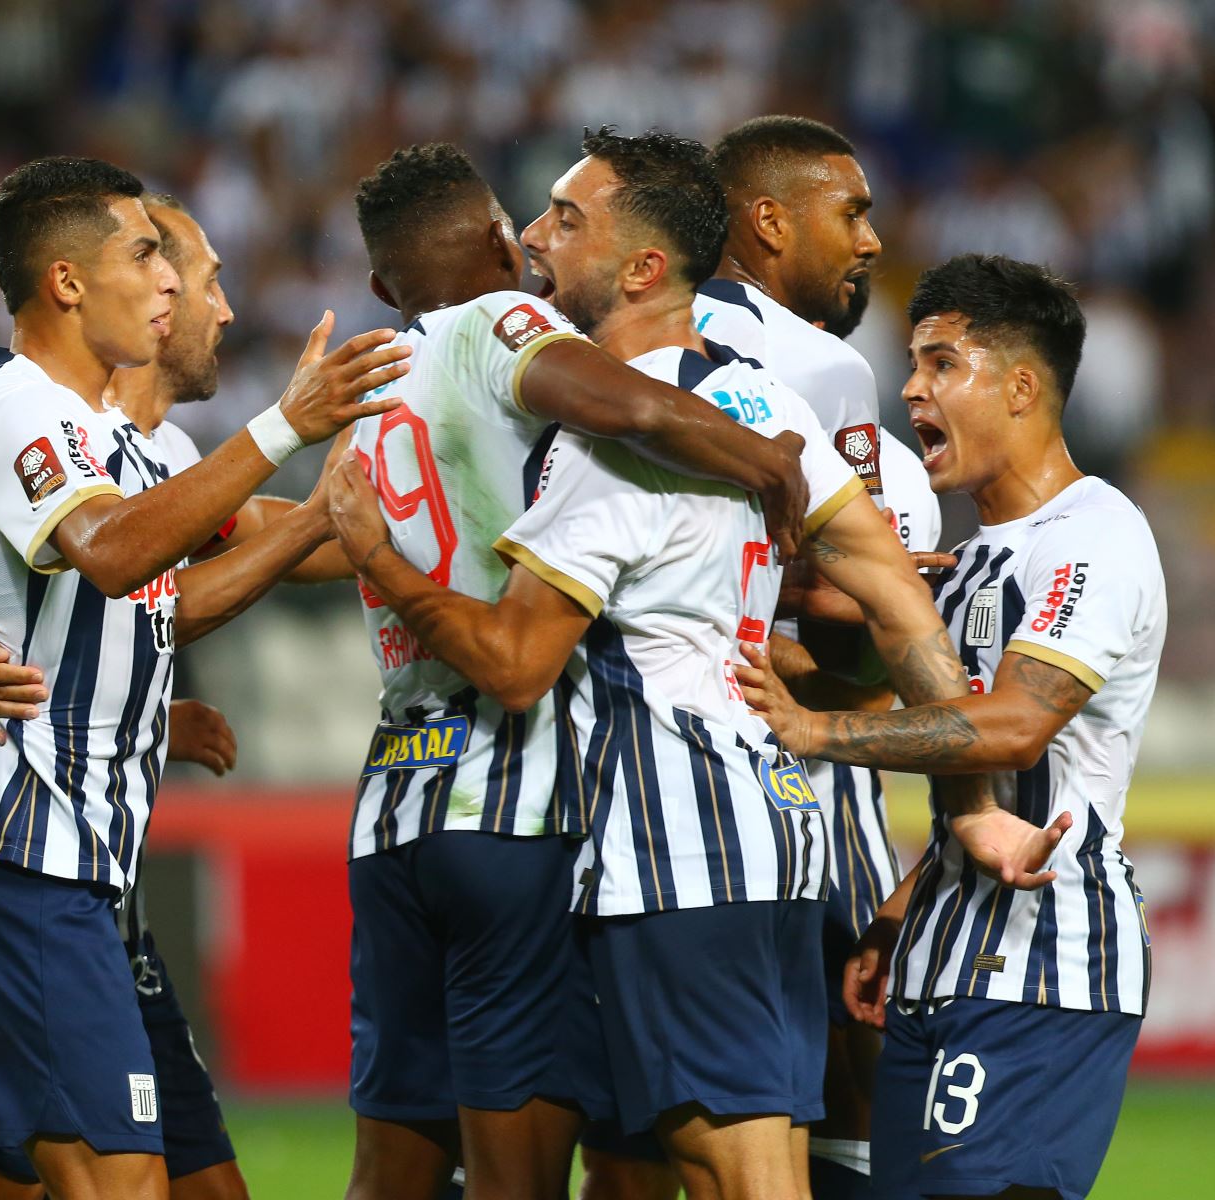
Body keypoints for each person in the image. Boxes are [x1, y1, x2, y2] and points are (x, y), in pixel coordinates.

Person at [327, 128, 1063, 1200]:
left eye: (566, 221)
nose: (534, 239)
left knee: (738, 1175)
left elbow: (519, 663)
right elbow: (902, 604)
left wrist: (377, 561)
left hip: (673, 852)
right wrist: (968, 806)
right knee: (652, 1168)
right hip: (767, 830)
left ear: (639, 268)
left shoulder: (607, 452)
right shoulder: (769, 407)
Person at [0, 155, 410, 1200]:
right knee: (124, 1180)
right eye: (148, 256)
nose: (172, 283)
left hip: (25, 860)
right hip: (26, 854)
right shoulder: (21, 405)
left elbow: (222, 555)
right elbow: (116, 555)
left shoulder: (114, 442)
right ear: (69, 281)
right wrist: (286, 428)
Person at [335, 142, 811, 1200]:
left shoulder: (369, 388)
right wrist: (760, 454)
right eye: (533, 224)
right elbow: (627, 401)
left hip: (395, 804)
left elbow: (312, 541)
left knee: (392, 1172)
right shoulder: (507, 325)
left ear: (380, 285)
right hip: (519, 801)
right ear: (505, 242)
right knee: (578, 1170)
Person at [737, 254, 1163, 1200]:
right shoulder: (968, 562)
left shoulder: (1098, 533)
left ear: (1020, 386)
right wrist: (899, 913)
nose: (911, 388)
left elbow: (1013, 729)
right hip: (939, 954)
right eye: (915, 365)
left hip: (1044, 959)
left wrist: (815, 734)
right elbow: (944, 740)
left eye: (940, 365)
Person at [576, 112, 946, 1200]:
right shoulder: (817, 371)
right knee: (827, 1085)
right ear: (767, 222)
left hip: (642, 803)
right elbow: (860, 596)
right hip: (788, 793)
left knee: (651, 1136)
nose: (871, 241)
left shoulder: (583, 358)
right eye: (854, 214)